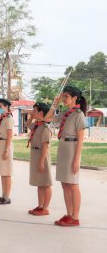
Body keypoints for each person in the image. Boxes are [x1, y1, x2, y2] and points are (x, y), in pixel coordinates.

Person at [39, 86, 86, 227]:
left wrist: (77, 159)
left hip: (72, 149)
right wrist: (55, 104)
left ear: (74, 98)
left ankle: (75, 217)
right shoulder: (66, 113)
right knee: (65, 184)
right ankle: (69, 214)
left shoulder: (79, 114)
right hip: (63, 149)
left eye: (66, 96)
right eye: (63, 96)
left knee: (73, 184)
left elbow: (81, 139)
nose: (64, 99)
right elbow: (46, 118)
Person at [26, 102, 53, 216]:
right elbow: (27, 124)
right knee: (39, 182)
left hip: (42, 155)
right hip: (35, 153)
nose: (33, 112)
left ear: (41, 112)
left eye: (35, 110)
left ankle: (45, 208)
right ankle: (40, 205)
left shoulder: (45, 127)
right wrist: (32, 115)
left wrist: (41, 162)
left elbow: (45, 146)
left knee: (45, 183)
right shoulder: (37, 125)